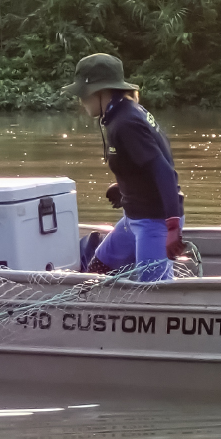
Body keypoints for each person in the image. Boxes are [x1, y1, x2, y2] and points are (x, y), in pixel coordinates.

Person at [64, 53, 184, 282]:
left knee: (154, 292)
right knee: (97, 271)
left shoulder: (126, 122)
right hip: (133, 218)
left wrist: (172, 226)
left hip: (155, 222)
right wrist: (125, 187)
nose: (81, 101)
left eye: (83, 94)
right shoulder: (122, 113)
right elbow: (140, 163)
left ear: (100, 92)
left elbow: (164, 171)